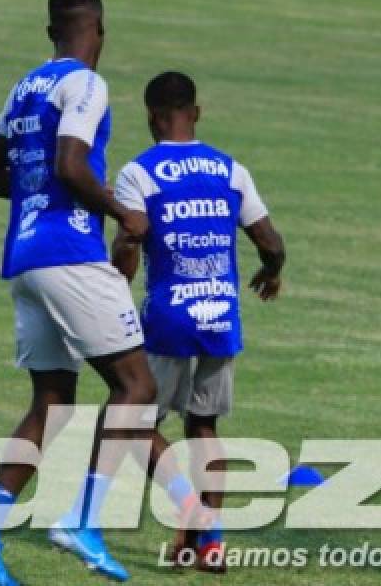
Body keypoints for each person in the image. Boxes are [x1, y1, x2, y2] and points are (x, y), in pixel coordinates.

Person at [0, 0, 163, 586]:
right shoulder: (87, 85)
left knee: (52, 403)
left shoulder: (25, 86)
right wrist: (124, 214)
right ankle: (82, 518)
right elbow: (72, 164)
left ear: (51, 32)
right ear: (100, 32)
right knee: (136, 384)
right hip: (69, 250)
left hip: (22, 255)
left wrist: (35, 194)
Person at [109, 71, 285, 571]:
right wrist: (271, 274)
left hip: (168, 320)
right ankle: (205, 544)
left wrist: (118, 271)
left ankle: (193, 515)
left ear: (151, 116)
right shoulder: (231, 170)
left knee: (134, 423)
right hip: (220, 316)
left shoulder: (139, 173)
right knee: (203, 425)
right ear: (197, 112)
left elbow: (127, 250)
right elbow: (271, 242)